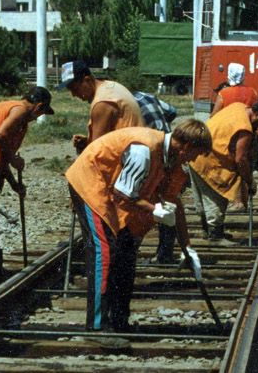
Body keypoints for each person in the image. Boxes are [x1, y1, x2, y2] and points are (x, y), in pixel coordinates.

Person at [64, 120, 213, 335]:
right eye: (195, 154)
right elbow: (123, 194)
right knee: (104, 250)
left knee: (126, 250)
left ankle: (119, 321)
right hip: (92, 182)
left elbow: (174, 203)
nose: (194, 160)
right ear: (187, 145)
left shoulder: (171, 159)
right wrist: (154, 209)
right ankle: (96, 327)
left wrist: (187, 247)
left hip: (116, 190)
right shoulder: (144, 150)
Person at [0, 86, 55, 282]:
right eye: (41, 113)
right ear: (38, 106)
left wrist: (13, 183)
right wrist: (13, 160)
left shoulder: (7, 107)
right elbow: (0, 137)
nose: (37, 118)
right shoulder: (19, 110)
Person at [187, 100, 258, 240]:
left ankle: (206, 230)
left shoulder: (238, 107)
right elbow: (241, 159)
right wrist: (249, 182)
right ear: (257, 115)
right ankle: (215, 237)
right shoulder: (245, 128)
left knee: (202, 199)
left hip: (196, 154)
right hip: (211, 161)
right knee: (216, 198)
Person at [132, 89, 179, 263]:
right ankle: (164, 254)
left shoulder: (128, 103)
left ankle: (131, 251)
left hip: (151, 149)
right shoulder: (148, 96)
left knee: (143, 202)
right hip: (167, 146)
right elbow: (173, 111)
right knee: (167, 201)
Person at [58, 60, 143, 153]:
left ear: (88, 80)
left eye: (75, 89)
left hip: (128, 156)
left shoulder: (102, 103)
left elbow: (96, 150)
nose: (74, 95)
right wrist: (87, 141)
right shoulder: (110, 87)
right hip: (137, 149)